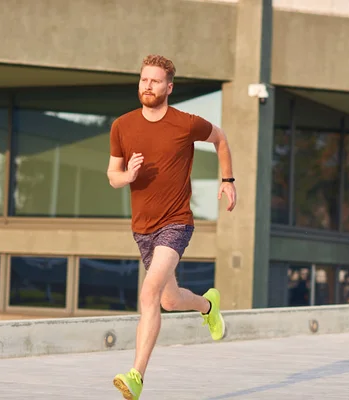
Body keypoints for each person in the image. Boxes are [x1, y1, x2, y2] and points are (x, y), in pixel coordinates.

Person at [107, 54, 237, 399]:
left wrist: (228, 179)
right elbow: (112, 176)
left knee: (148, 293)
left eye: (154, 81)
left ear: (169, 87)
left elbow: (221, 139)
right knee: (168, 299)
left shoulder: (186, 123)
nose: (147, 86)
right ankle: (208, 306)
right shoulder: (122, 125)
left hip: (176, 222)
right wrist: (128, 176)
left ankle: (136, 376)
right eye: (143, 80)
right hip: (143, 228)